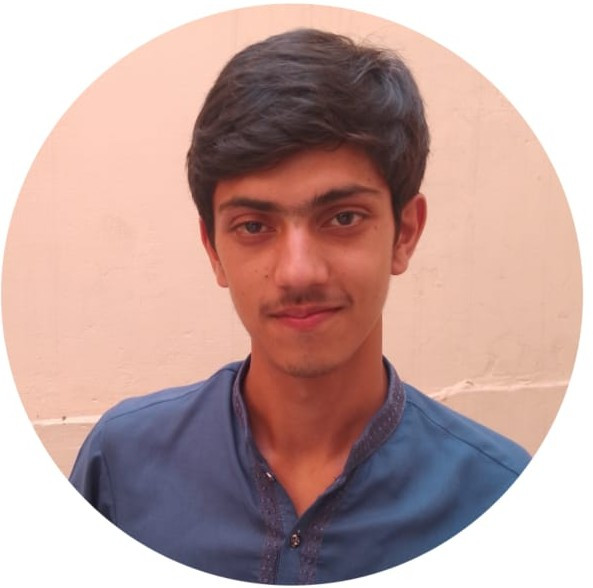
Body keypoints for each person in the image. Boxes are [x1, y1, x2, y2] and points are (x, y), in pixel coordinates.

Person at [70, 28, 530, 584]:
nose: (297, 272)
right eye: (253, 226)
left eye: (342, 218)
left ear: (404, 233)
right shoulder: (121, 466)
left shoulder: (501, 496)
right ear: (213, 251)